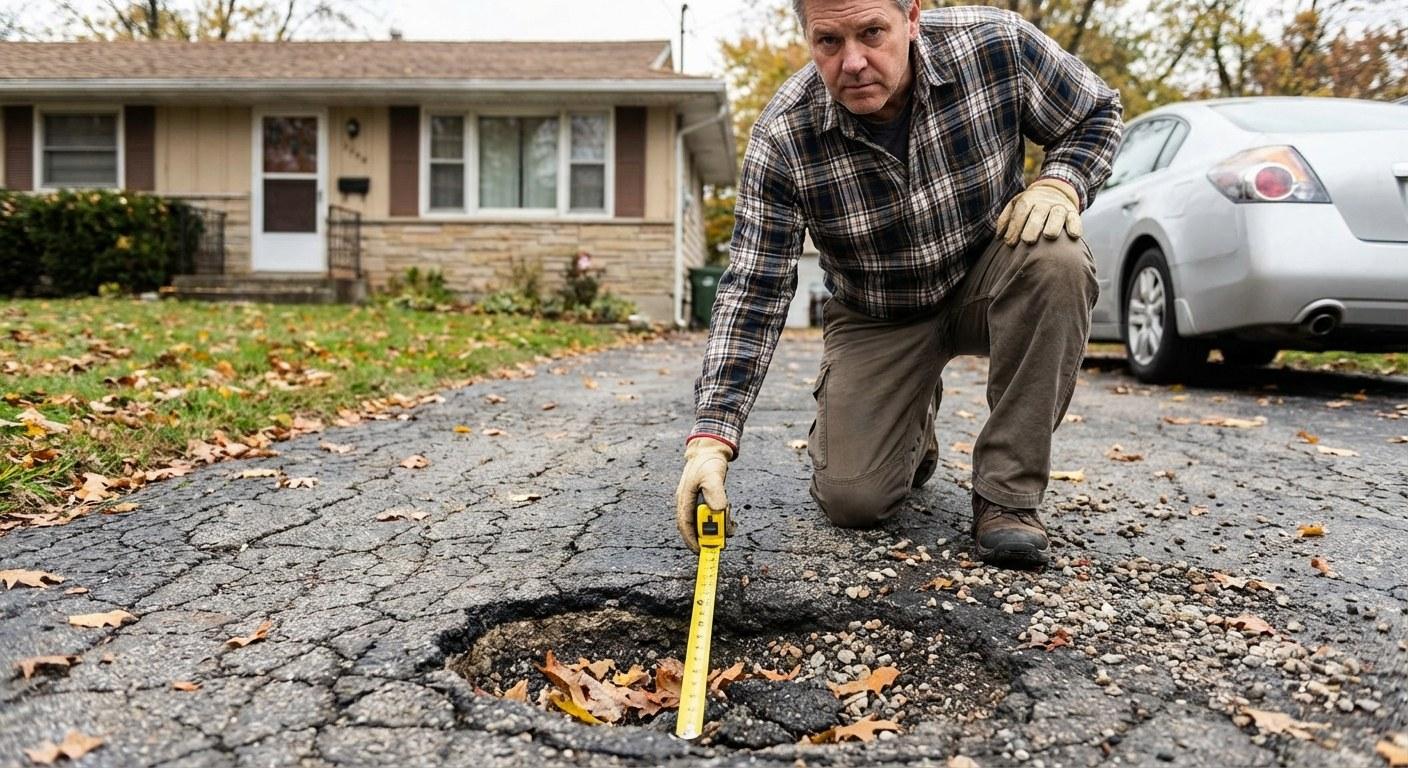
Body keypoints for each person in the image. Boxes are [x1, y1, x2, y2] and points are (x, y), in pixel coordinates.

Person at [676, 0, 1123, 569]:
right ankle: (912, 425)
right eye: (829, 42)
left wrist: (1061, 183)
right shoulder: (784, 135)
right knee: (853, 499)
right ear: (807, 37)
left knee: (1058, 258)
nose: (854, 62)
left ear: (911, 17)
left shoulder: (997, 45)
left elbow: (1097, 113)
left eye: (871, 33)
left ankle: (1007, 495)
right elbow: (753, 287)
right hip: (876, 313)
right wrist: (711, 441)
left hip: (988, 275)